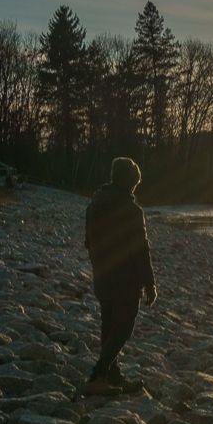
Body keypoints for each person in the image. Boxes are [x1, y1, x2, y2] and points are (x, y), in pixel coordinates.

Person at [83, 157, 157, 395]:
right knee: (123, 327)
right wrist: (150, 283)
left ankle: (112, 375)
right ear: (129, 182)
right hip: (124, 280)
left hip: (102, 275)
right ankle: (98, 374)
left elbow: (88, 241)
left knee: (109, 324)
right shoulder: (131, 210)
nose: (135, 188)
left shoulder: (94, 204)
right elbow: (140, 249)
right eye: (135, 184)